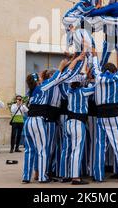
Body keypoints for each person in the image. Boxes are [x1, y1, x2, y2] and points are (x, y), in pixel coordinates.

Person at [22, 53, 84, 183]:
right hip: (40, 120)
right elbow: (58, 77)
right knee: (43, 149)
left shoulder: (31, 91)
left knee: (29, 150)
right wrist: (64, 65)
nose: (40, 78)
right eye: (38, 78)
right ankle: (42, 176)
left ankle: (26, 177)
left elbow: (58, 77)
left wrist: (72, 60)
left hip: (28, 121)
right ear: (38, 81)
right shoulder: (42, 87)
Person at [91, 45, 118, 183]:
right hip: (114, 114)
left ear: (103, 70)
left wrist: (94, 54)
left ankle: (98, 176)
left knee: (100, 146)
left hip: (101, 115)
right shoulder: (117, 77)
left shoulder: (98, 77)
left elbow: (95, 66)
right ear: (114, 70)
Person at [60, 76, 95, 185]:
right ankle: (75, 177)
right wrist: (92, 81)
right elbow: (95, 88)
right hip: (78, 122)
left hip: (68, 122)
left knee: (66, 149)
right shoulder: (83, 91)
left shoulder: (69, 91)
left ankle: (65, 175)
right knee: (77, 150)